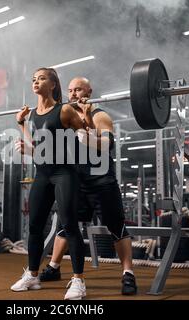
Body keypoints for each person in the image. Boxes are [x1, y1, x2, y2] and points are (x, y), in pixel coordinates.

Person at [38, 77, 138, 295]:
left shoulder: (100, 115)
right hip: (76, 181)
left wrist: (87, 136)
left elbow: (106, 145)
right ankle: (54, 267)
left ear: (89, 92)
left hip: (102, 182)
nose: (73, 94)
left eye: (79, 89)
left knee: (117, 228)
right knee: (67, 225)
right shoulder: (66, 117)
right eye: (71, 90)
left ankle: (128, 274)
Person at [10, 68, 89, 300]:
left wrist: (85, 113)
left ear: (53, 84)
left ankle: (78, 280)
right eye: (34, 79)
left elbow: (85, 136)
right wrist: (20, 123)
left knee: (70, 225)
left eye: (41, 78)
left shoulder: (64, 110)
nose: (36, 81)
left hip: (64, 173)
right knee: (35, 226)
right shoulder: (33, 114)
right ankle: (32, 275)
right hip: (42, 174)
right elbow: (33, 147)